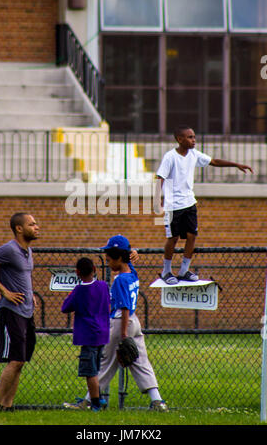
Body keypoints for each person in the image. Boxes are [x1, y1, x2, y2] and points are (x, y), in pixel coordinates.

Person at [65, 235, 168, 412]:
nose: (108, 261)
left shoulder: (120, 279)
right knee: (141, 361)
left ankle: (89, 401)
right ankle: (157, 401)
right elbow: (129, 262)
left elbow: (125, 306)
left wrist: (123, 335)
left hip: (122, 322)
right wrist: (131, 253)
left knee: (105, 363)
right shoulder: (131, 273)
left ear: (120, 257)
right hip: (134, 322)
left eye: (110, 258)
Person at [156, 126, 254, 284]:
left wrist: (236, 164)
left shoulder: (194, 154)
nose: (193, 140)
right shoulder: (170, 157)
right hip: (173, 205)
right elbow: (160, 177)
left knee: (191, 236)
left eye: (194, 137)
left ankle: (183, 270)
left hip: (189, 202)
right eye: (189, 137)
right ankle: (166, 271)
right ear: (180, 139)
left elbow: (213, 161)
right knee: (173, 238)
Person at [0, 212, 39, 412]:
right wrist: (5, 291)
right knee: (14, 360)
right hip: (11, 311)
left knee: (20, 361)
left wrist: (31, 294)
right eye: (32, 224)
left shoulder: (28, 251)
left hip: (26, 311)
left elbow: (23, 276)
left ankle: (8, 405)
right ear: (19, 228)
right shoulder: (9, 249)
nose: (36, 227)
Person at [61, 257, 110, 412]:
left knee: (90, 371)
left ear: (77, 272)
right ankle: (99, 397)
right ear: (94, 269)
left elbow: (65, 308)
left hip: (88, 336)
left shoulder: (78, 291)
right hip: (102, 333)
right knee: (96, 367)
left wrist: (70, 295)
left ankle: (95, 402)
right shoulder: (103, 286)